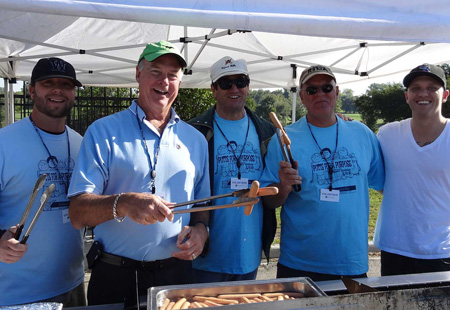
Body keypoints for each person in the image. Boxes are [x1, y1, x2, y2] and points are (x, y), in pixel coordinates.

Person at [68, 41, 210, 306]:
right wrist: (124, 204)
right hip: (116, 276)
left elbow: (202, 206)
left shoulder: (195, 140)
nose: (164, 82)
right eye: (156, 71)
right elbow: (77, 212)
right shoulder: (103, 132)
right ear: (138, 73)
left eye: (172, 75)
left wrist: (202, 231)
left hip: (177, 276)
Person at [260, 65, 385, 282]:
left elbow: (383, 185)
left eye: (327, 88)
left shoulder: (362, 134)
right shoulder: (283, 139)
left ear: (337, 92)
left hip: (350, 261)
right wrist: (283, 185)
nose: (320, 94)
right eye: (311, 90)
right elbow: (269, 202)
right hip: (299, 263)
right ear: (301, 97)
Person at [0, 58, 85, 307]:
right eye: (49, 83)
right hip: (19, 295)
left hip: (74, 285)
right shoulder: (5, 143)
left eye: (66, 84)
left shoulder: (80, 143)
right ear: (32, 90)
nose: (58, 89)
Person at [188, 57, 276, 282]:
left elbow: (273, 191)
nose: (235, 88)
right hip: (204, 256)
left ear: (248, 86)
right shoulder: (194, 132)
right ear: (213, 89)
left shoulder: (267, 132)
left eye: (241, 81)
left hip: (249, 254)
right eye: (226, 83)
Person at [373, 64, 450, 276]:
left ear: (445, 95)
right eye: (415, 88)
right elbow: (378, 178)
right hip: (394, 247)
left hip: (441, 251)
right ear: (407, 96)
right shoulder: (387, 134)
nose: (423, 93)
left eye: (432, 87)